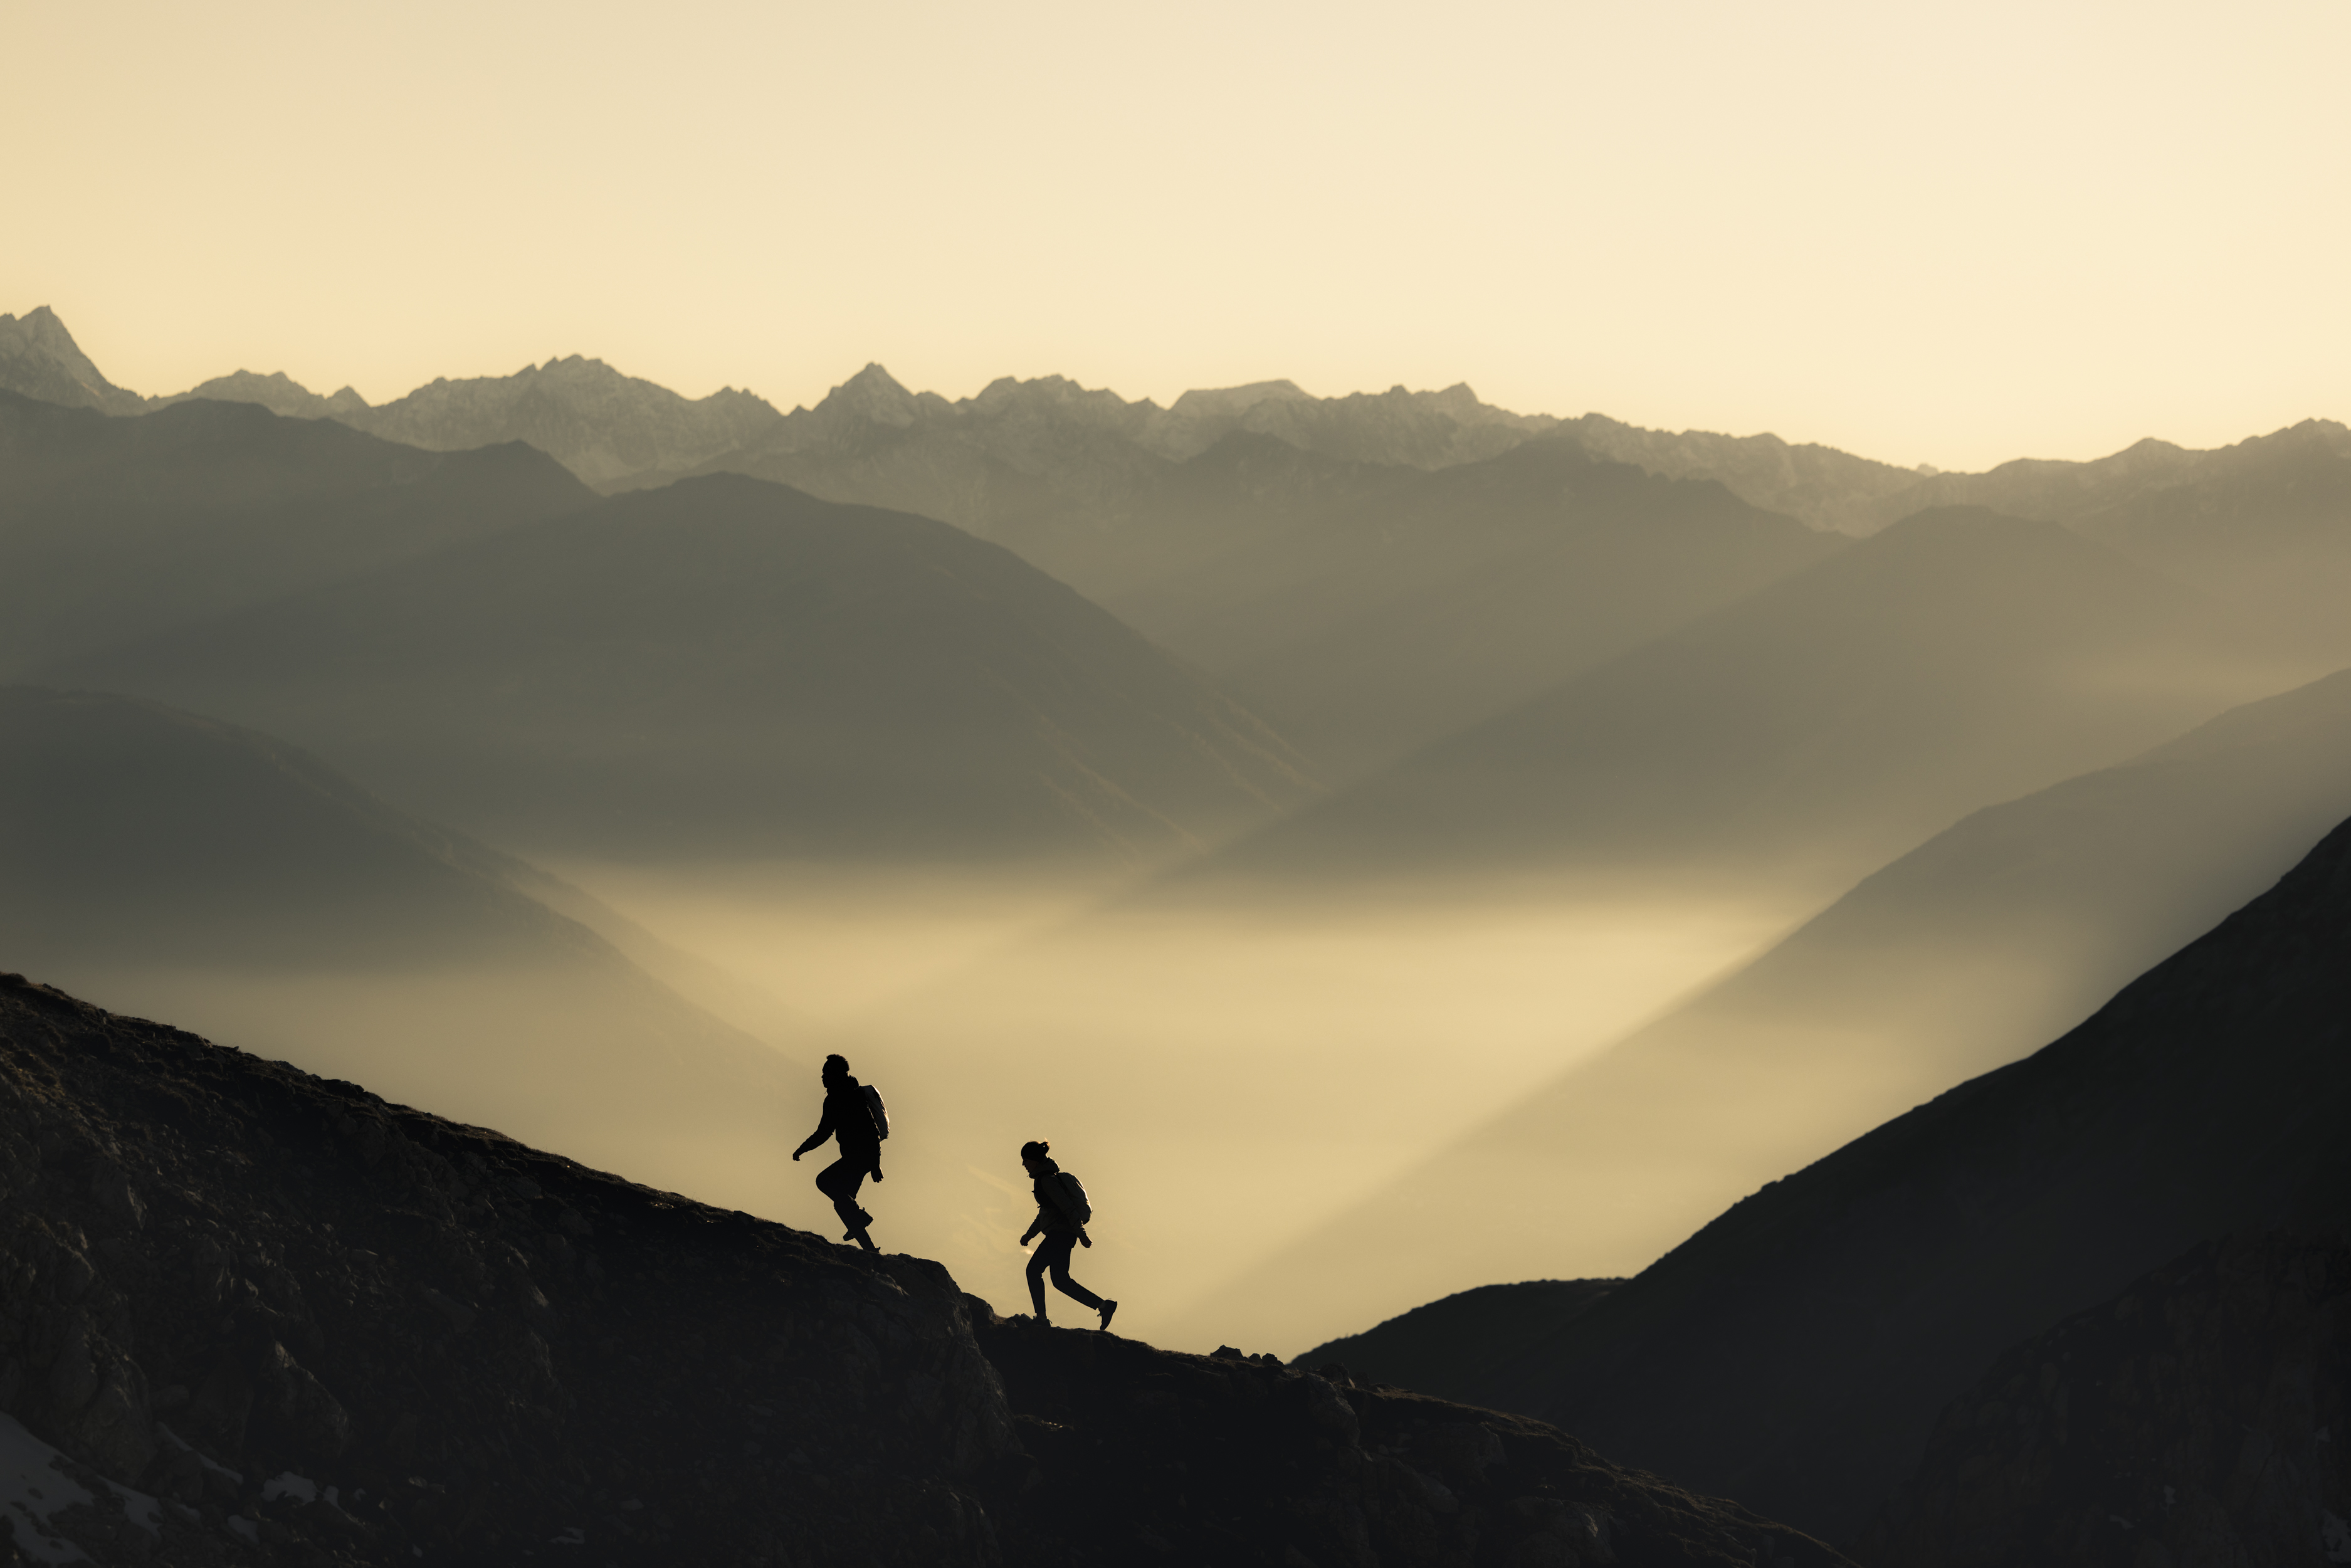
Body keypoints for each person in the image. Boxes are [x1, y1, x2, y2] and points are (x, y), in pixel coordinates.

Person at [1019, 1140, 1116, 1331]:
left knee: (1033, 1271)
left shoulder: (1047, 1180)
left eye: (1026, 1160)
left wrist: (1082, 1234)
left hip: (1060, 1235)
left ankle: (1041, 1318)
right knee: (1061, 1280)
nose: (1024, 1164)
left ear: (1035, 1161)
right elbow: (1046, 1213)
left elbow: (1067, 1207)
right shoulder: (1045, 1179)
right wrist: (1029, 1235)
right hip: (1063, 1235)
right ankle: (1104, 1306)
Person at [794, 1054, 883, 1253]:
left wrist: (875, 1165)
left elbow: (872, 1131)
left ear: (838, 1074)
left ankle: (863, 1224)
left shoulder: (851, 1097)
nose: (823, 1077)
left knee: (824, 1181)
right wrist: (804, 1148)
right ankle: (870, 1250)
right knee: (844, 1203)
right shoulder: (835, 1098)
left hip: (859, 1157)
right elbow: (825, 1132)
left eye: (827, 1073)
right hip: (859, 1157)